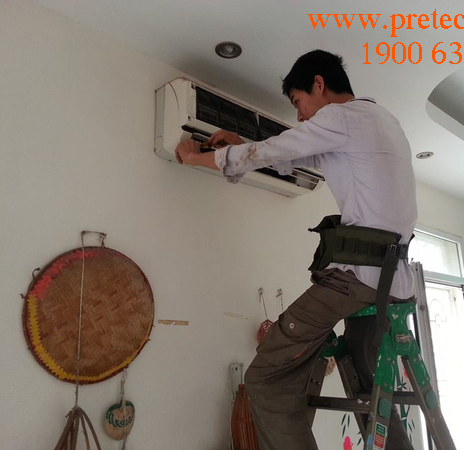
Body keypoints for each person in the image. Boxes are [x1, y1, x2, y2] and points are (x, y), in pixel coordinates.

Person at [176, 49, 417, 450]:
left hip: (357, 279)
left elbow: (276, 150)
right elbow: (291, 156)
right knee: (371, 384)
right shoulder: (382, 120)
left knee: (265, 379)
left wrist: (195, 158)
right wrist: (242, 143)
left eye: (298, 101)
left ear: (319, 84)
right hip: (394, 283)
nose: (301, 115)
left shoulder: (339, 117)